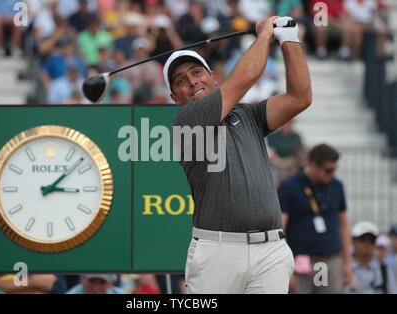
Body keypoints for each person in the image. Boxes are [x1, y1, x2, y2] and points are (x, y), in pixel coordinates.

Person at [166, 16, 311, 293]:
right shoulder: (186, 120)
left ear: (213, 77)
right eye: (181, 80)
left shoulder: (248, 114)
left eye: (197, 73)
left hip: (270, 250)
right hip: (217, 251)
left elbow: (300, 97)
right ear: (175, 97)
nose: (192, 82)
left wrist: (289, 38)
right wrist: (266, 35)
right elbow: (246, 75)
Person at [278, 144, 353, 293]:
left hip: (331, 261)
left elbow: (343, 224)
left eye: (334, 169)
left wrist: (347, 263)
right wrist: (285, 268)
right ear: (313, 165)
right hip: (300, 264)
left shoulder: (336, 186)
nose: (332, 174)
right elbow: (280, 228)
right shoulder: (288, 186)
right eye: (328, 170)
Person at [344, 221, 397, 294]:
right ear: (353, 241)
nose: (367, 243)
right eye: (362, 239)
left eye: (372, 240)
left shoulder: (384, 269)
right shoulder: (344, 269)